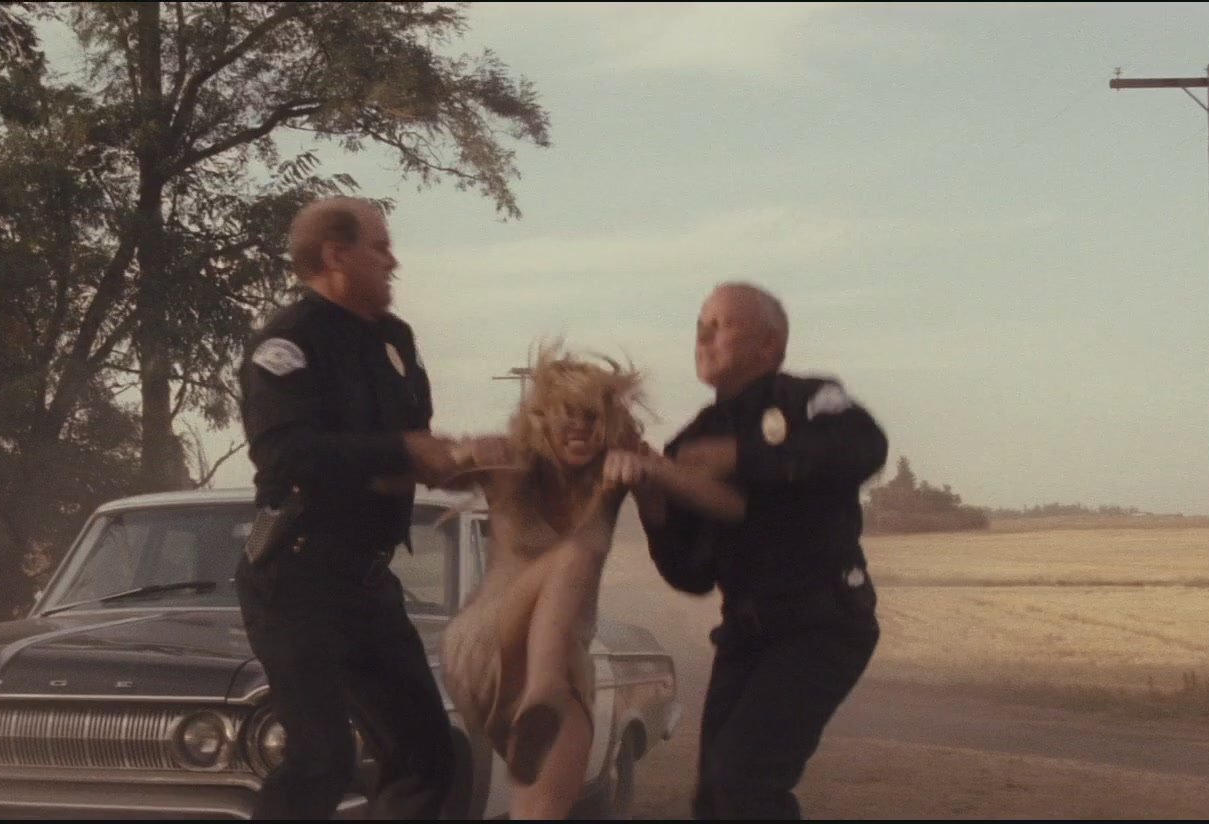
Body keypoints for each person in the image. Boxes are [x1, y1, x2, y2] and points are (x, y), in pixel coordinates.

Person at [234, 196, 490, 819]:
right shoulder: (287, 343)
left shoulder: (394, 340)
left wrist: (464, 461)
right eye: (380, 247)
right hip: (294, 577)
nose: (393, 261)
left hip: (366, 580)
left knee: (428, 756)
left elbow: (410, 445)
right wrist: (404, 451)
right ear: (336, 255)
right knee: (321, 759)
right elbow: (284, 454)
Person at [436, 341, 747, 819]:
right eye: (567, 414)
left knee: (545, 808)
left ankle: (544, 701)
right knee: (575, 553)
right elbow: (424, 472)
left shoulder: (614, 471)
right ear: (542, 420)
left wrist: (652, 472)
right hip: (489, 646)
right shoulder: (514, 465)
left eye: (591, 415)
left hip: (568, 663)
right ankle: (542, 691)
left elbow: (732, 506)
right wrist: (461, 453)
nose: (580, 426)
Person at [638, 282, 890, 820]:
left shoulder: (808, 400)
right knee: (715, 796)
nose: (703, 336)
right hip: (746, 635)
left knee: (743, 783)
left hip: (822, 624)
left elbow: (864, 447)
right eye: (700, 325)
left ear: (768, 345)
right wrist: (653, 505)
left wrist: (743, 456)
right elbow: (692, 573)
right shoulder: (689, 442)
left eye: (720, 325)